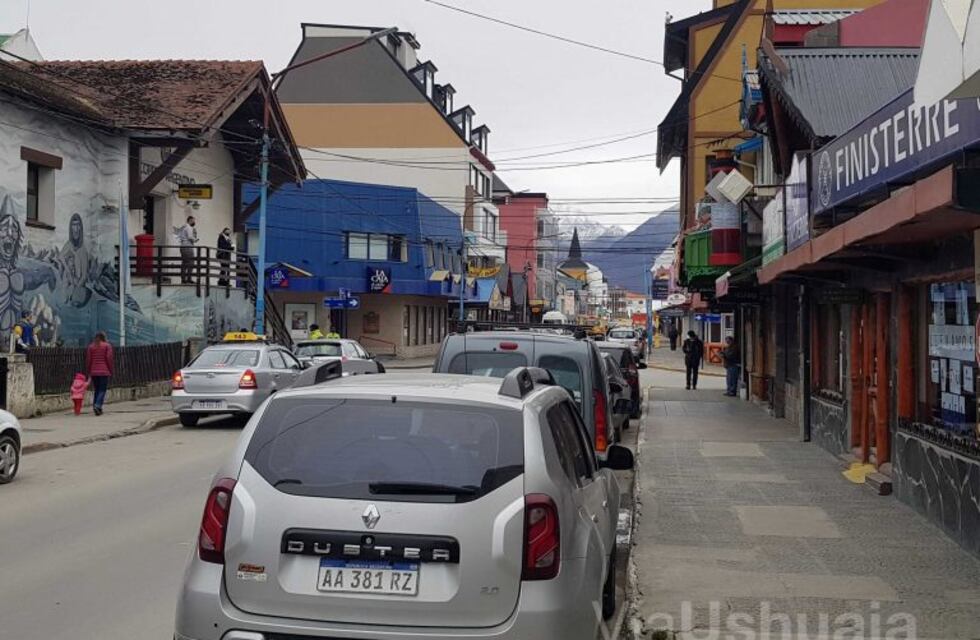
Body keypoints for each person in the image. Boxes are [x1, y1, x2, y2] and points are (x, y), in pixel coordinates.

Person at [85, 331, 114, 416]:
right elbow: (109, 358)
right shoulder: (107, 346)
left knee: (97, 389)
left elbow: (88, 360)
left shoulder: (91, 346)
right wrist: (110, 370)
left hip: (94, 372)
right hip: (104, 371)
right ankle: (98, 405)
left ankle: (96, 407)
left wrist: (89, 371)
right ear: (103, 337)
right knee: (102, 390)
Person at [175, 216, 198, 284]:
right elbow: (190, 237)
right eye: (193, 221)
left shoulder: (183, 227)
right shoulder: (189, 227)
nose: (194, 222)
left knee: (184, 263)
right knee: (191, 263)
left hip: (182, 246)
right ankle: (188, 278)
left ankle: (183, 279)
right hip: (187, 246)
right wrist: (195, 239)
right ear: (190, 220)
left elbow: (178, 235)